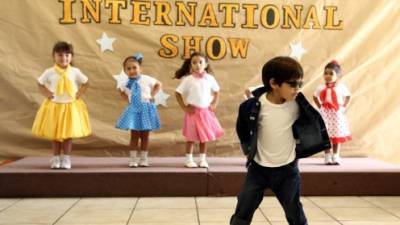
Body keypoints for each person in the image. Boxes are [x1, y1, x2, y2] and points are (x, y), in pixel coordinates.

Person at [32, 41, 91, 169]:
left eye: (67, 55)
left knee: (68, 135)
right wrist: (47, 93)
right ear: (54, 56)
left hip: (70, 107)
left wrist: (79, 93)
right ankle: (56, 158)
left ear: (71, 57)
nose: (64, 58)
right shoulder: (50, 71)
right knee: (55, 135)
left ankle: (66, 159)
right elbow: (39, 83)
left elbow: (86, 82)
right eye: (60, 55)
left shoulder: (75, 71)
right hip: (55, 107)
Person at [174, 52, 224, 168]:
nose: (198, 65)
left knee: (203, 138)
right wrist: (184, 107)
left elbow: (216, 91)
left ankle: (202, 159)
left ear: (206, 64)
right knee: (191, 137)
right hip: (193, 112)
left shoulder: (210, 78)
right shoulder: (188, 79)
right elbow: (177, 93)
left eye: (200, 62)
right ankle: (189, 159)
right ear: (190, 65)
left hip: (205, 112)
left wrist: (214, 103)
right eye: (194, 62)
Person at [115, 53, 161, 167]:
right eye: (128, 69)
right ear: (125, 71)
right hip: (134, 109)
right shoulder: (125, 83)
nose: (132, 70)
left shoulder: (146, 79)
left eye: (134, 68)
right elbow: (121, 91)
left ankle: (144, 158)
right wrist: (127, 99)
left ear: (140, 68)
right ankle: (133, 159)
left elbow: (158, 84)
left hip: (146, 108)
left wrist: (152, 94)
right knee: (134, 135)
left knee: (145, 135)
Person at [313, 60, 352, 165]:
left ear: (338, 75)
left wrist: (343, 106)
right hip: (325, 114)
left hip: (336, 114)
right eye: (326, 73)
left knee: (336, 134)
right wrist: (320, 106)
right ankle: (327, 155)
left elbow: (348, 96)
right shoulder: (321, 87)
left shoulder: (341, 87)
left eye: (331, 73)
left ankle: (336, 155)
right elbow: (315, 96)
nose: (328, 75)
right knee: (326, 135)